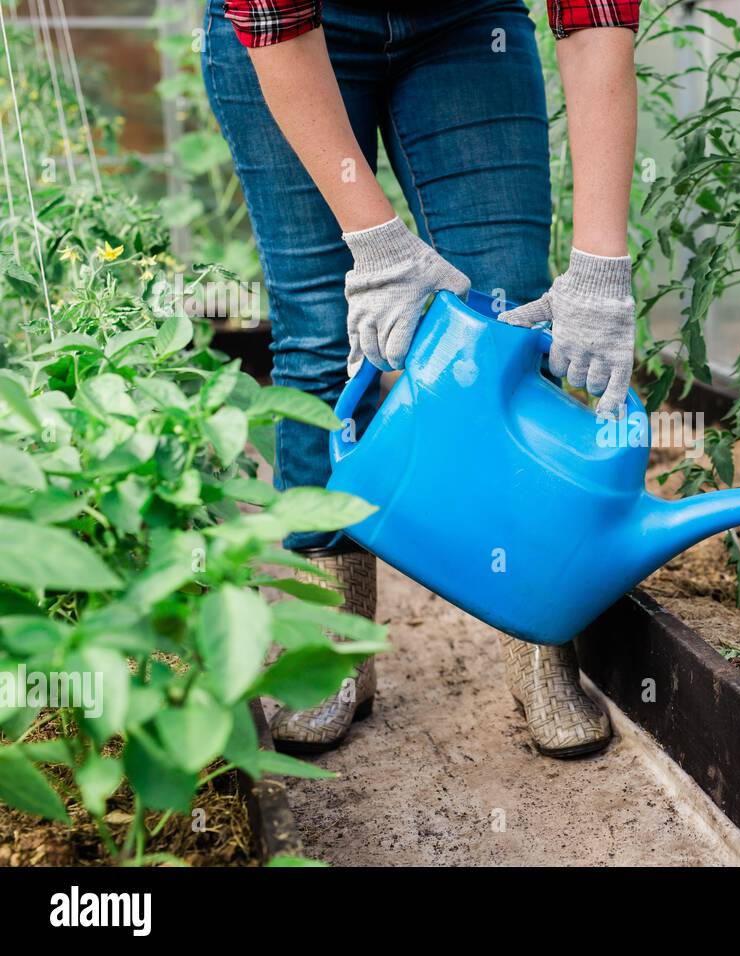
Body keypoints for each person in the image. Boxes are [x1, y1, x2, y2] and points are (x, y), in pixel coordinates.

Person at [203, 0, 640, 758]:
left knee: (508, 308)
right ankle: (329, 649)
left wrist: (602, 267)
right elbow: (271, 15)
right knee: (322, 330)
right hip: (290, 33)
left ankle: (534, 635)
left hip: (467, 23)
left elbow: (595, 10)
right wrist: (376, 248)